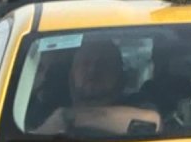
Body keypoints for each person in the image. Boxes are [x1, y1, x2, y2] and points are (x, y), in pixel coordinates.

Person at [32, 37, 160, 135]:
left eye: (104, 64)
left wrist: (69, 117)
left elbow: (152, 122)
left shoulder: (136, 104)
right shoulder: (43, 109)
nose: (93, 70)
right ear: (71, 74)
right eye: (85, 63)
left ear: (120, 76)